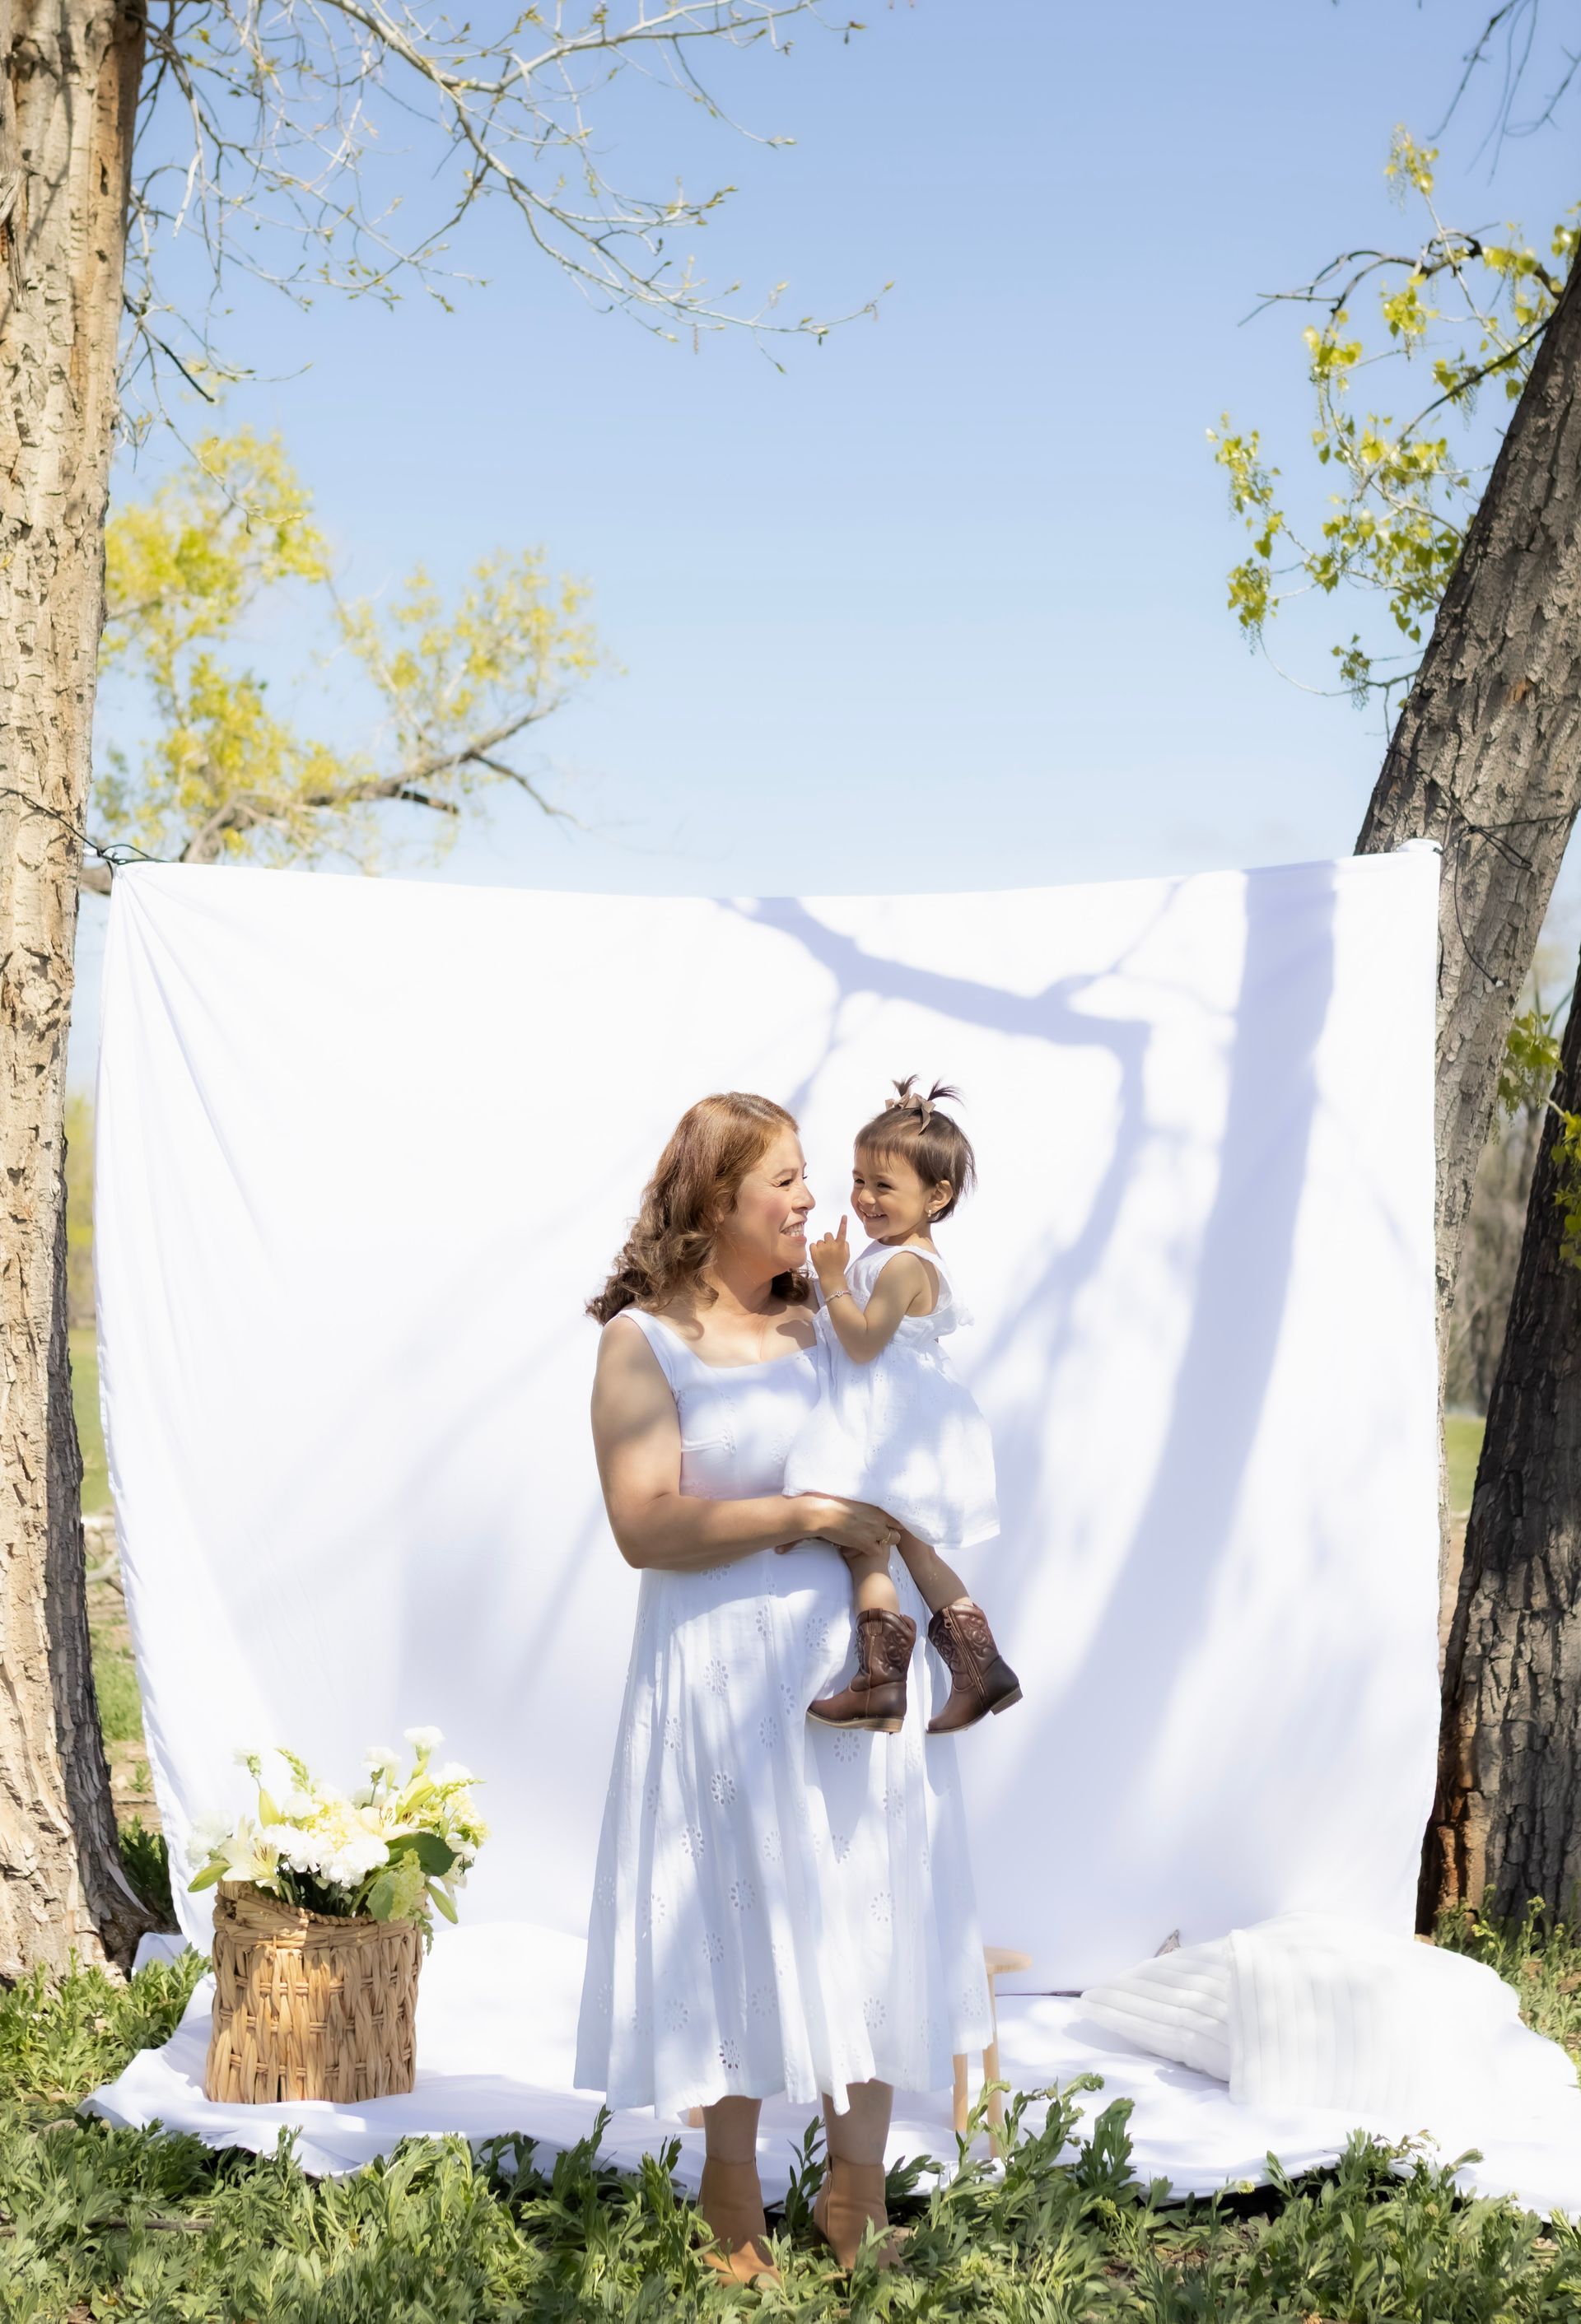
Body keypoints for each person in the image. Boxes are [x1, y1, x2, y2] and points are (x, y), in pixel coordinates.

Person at [574, 1092, 993, 2285]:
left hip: (851, 1664)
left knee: (870, 1907)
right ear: (717, 1201)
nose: (817, 1201)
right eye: (790, 1180)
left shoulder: (832, 1322)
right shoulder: (640, 1341)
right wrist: (808, 1512)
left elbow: (910, 1447)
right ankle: (732, 2199)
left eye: (816, 1176)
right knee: (737, 1916)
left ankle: (854, 2194)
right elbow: (645, 1525)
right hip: (717, 1665)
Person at [782, 1078, 1021, 1736]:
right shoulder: (892, 1256)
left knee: (869, 1548)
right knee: (915, 1549)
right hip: (902, 1421)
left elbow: (862, 1343)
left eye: (883, 1186)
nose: (863, 1198)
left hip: (885, 1427)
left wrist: (830, 1280)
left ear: (935, 1197)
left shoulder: (903, 1267)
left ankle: (878, 1683)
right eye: (858, 1180)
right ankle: (982, 1670)